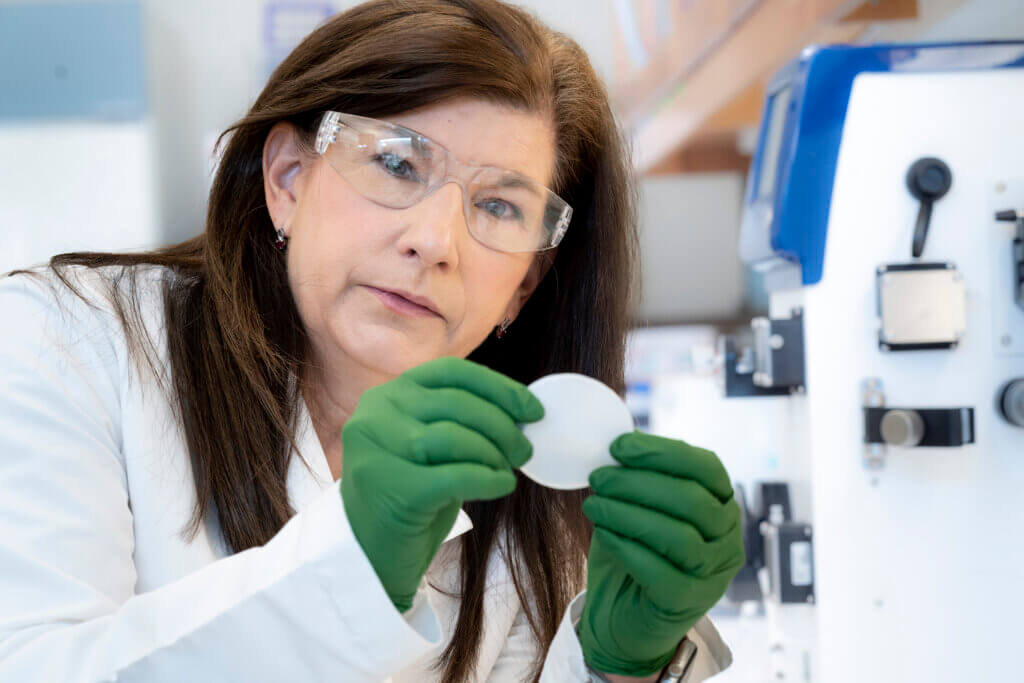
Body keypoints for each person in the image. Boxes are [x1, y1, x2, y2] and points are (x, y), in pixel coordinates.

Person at [0, 0, 744, 681]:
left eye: (498, 206)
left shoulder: (530, 525)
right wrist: (354, 560)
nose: (434, 240)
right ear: (288, 176)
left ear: (524, 283)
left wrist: (618, 665)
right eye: (396, 163)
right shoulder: (67, 340)